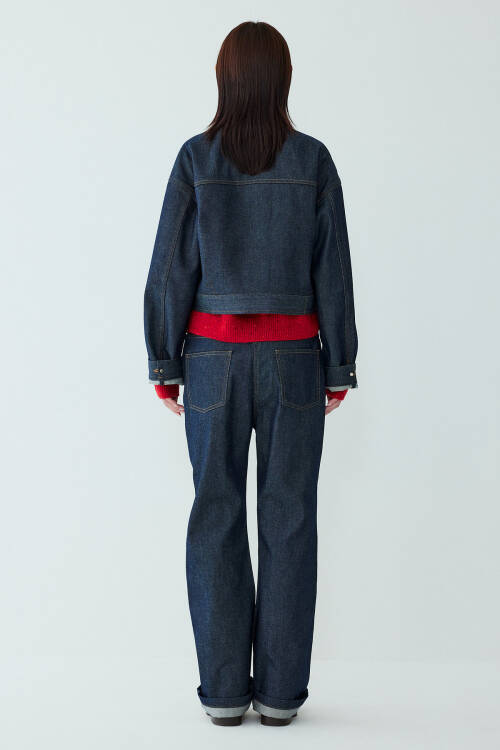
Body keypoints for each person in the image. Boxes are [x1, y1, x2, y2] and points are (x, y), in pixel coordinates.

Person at [144, 21, 358, 727]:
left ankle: (224, 695)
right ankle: (280, 698)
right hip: (296, 359)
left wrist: (164, 360)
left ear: (224, 78)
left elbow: (171, 267)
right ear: (283, 79)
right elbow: (333, 267)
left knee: (215, 514)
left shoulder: (195, 158)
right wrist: (340, 361)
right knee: (290, 519)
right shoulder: (313, 159)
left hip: (212, 360)